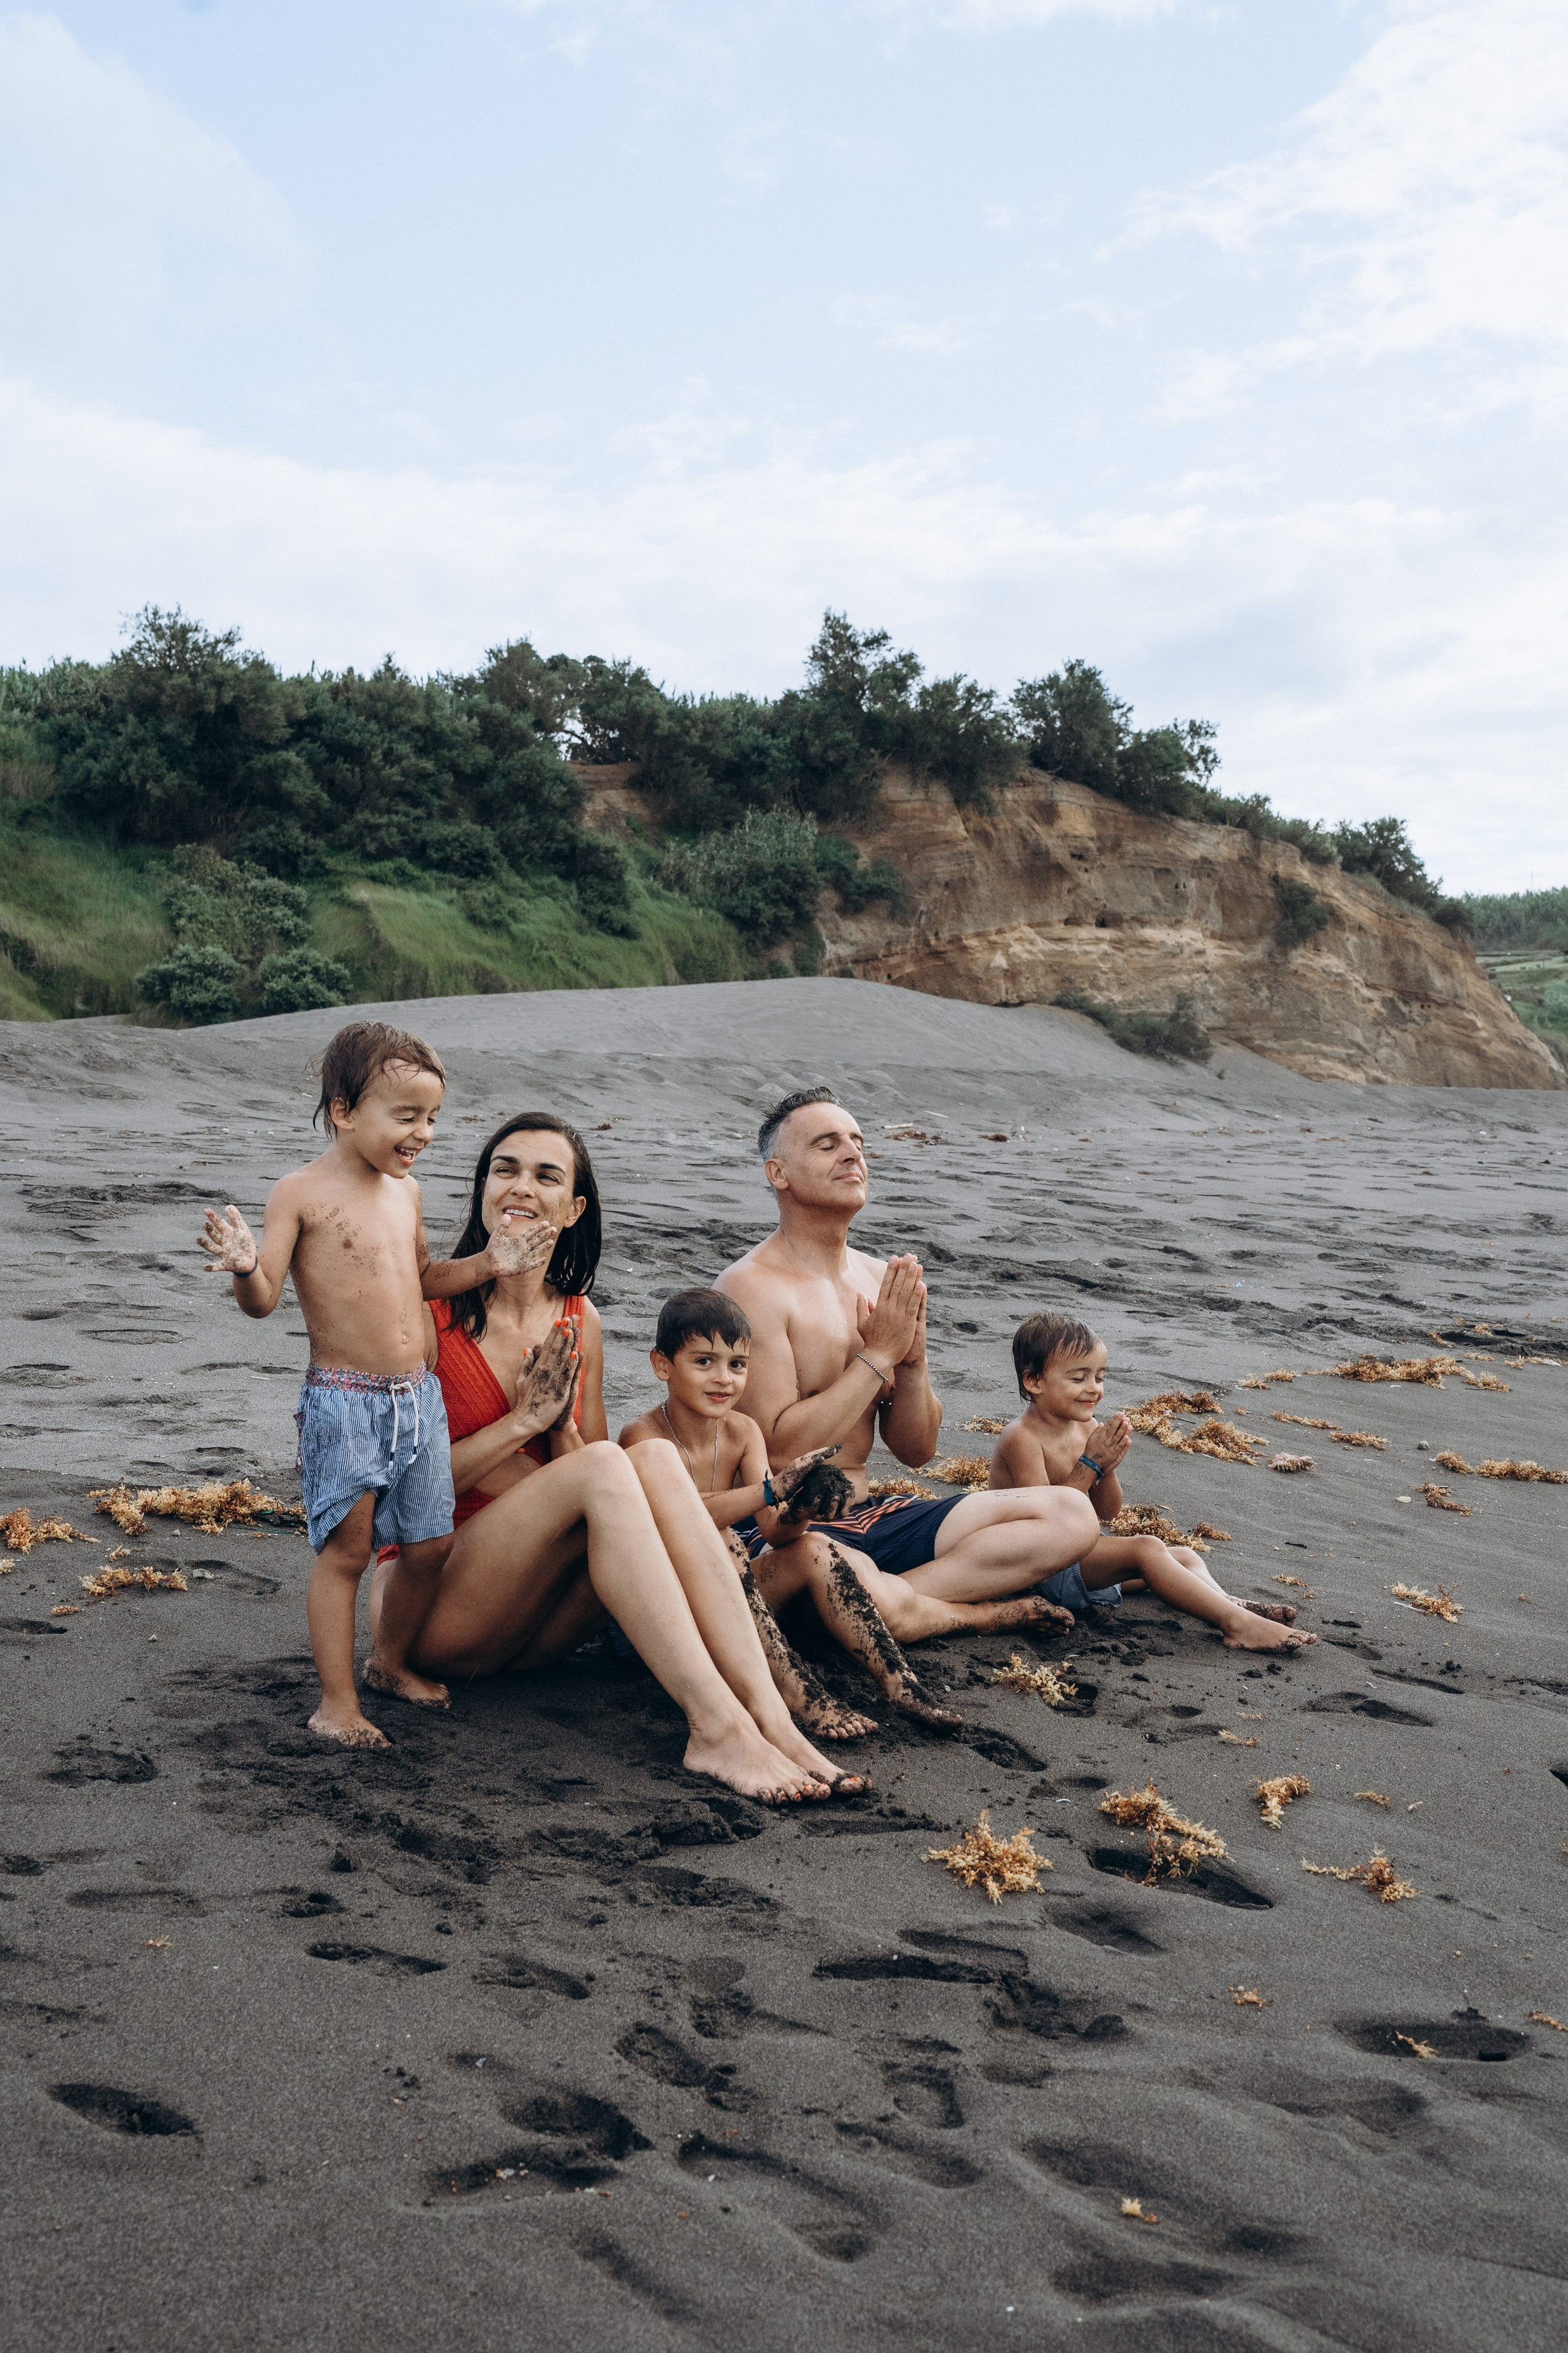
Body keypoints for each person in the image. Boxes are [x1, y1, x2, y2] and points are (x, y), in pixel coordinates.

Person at [365, 1112, 864, 1802]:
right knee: (615, 1466)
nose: (520, 1187)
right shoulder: (430, 1315)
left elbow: (595, 1476)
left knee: (649, 1463)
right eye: (504, 1169)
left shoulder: (579, 1318)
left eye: (546, 1175)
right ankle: (718, 1727)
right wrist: (523, 1423)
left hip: (538, 1631)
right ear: (482, 1189)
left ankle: (771, 1720)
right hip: (440, 1612)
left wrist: (561, 1429)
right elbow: (402, 1496)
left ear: (573, 1208)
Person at [199, 1020, 537, 1749]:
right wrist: (241, 1264)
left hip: (418, 1400)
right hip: (345, 1402)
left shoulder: (404, 1191)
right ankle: (336, 1701)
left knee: (429, 1546)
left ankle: (388, 1662)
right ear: (346, 1110)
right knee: (348, 1554)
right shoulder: (301, 1193)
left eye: (434, 1118)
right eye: (407, 1116)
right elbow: (263, 1301)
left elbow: (422, 1279)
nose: (424, 1133)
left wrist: (487, 1262)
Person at [714, 1088, 1098, 1606]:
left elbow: (917, 1451)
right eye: (827, 1145)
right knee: (833, 1562)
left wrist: (911, 1363)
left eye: (857, 1142)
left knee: (1071, 1515)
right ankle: (892, 1602)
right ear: (778, 1173)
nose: (853, 1155)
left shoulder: (880, 1278)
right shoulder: (751, 1287)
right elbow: (781, 1451)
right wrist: (877, 1357)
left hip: (872, 1513)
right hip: (787, 1532)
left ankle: (895, 1601)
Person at [619, 1289, 1058, 1733]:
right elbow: (679, 1514)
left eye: (737, 1365)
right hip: (672, 1603)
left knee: (816, 1546)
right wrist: (772, 1490)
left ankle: (900, 1682)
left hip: (735, 1588)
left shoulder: (743, 1430)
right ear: (662, 1365)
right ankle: (804, 1697)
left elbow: (775, 1531)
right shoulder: (642, 1435)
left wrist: (801, 1507)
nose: (723, 1378)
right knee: (726, 1541)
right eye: (703, 1362)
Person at [990, 1310, 1317, 1653]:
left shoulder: (1086, 1426)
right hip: (1036, 1570)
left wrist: (1108, 1468)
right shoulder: (1023, 1438)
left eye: (1100, 1377)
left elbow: (1108, 1514)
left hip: (1074, 1555)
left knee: (1185, 1557)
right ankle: (1238, 1624)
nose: (1094, 1389)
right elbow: (1048, 1526)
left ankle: (1225, 1602)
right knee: (1146, 1549)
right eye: (1078, 1379)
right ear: (1034, 1382)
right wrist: (1091, 1463)